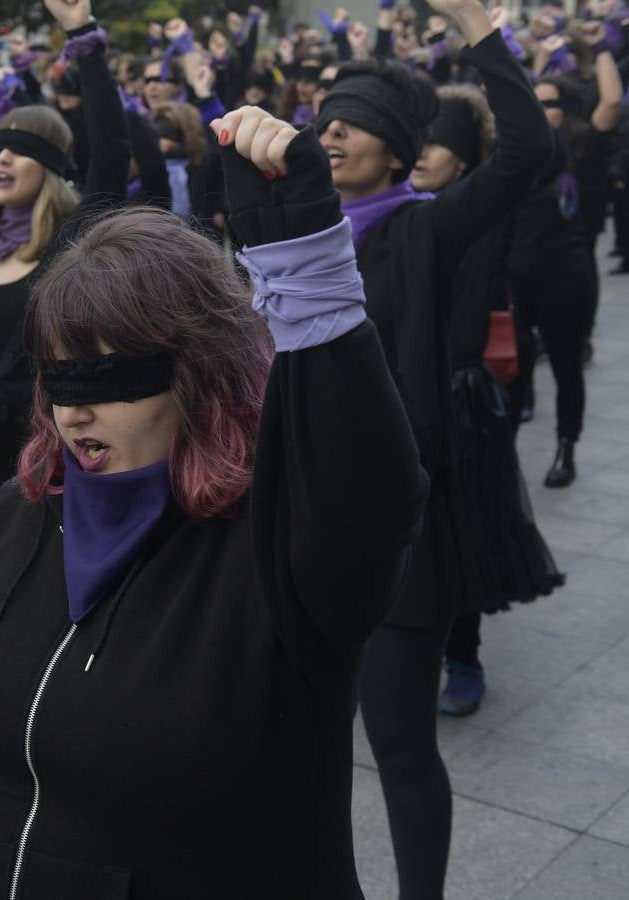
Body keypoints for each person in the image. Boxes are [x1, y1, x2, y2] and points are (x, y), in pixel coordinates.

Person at [0, 78, 428, 900]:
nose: (76, 410)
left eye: (113, 377)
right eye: (58, 378)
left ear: (202, 376)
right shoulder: (23, 511)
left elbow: (373, 500)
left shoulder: (279, 554)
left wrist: (309, 273)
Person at [314, 0, 551, 895]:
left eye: (355, 121)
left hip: (398, 527)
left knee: (401, 745)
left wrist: (481, 33)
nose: (331, 130)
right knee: (298, 741)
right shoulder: (294, 231)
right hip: (300, 516)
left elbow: (531, 156)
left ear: (400, 149)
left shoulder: (427, 227)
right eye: (324, 116)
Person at [0, 7, 129, 569]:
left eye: (18, 150)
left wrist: (83, 39)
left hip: (52, 460)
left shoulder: (70, 247)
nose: (2, 158)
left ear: (47, 170)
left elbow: (111, 155)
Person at [410, 85, 565, 715]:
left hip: (464, 398)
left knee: (462, 533)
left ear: (468, 157)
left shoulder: (484, 209)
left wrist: (477, 30)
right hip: (394, 393)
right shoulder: (388, 211)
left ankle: (463, 656)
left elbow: (531, 149)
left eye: (437, 139)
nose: (421, 151)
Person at [507, 32, 623, 487]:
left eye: (550, 103)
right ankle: (515, 431)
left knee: (564, 365)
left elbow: (611, 103)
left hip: (564, 276)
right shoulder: (517, 151)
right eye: (536, 102)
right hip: (515, 276)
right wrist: (532, 58)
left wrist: (603, 47)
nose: (541, 109)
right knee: (514, 366)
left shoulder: (580, 146)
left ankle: (565, 447)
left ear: (568, 110)